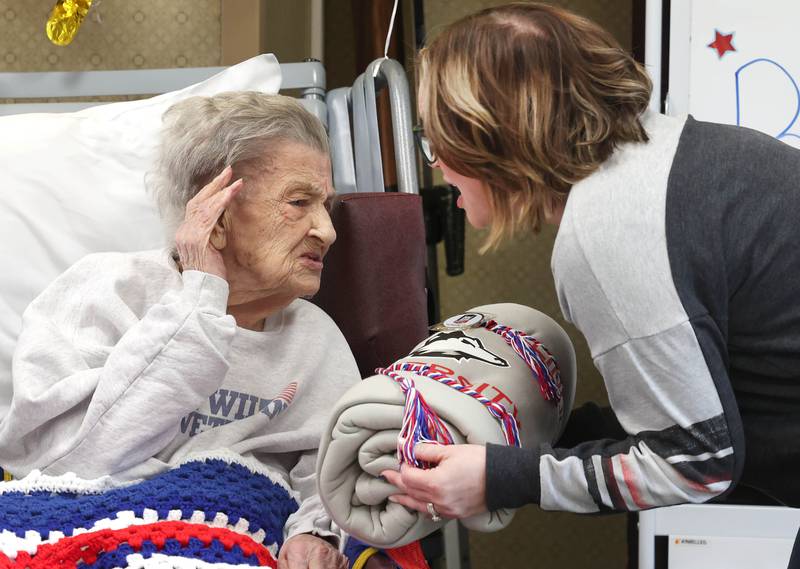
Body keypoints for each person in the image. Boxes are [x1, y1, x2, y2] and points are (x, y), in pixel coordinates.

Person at [382, 1, 800, 562]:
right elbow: (714, 405)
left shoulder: (614, 229)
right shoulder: (670, 153)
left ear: (491, 136)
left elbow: (696, 465)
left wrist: (504, 478)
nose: (435, 164)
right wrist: (526, 439)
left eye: (437, 139)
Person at [0, 92, 360, 569]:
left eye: (325, 205)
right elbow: (62, 465)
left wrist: (316, 533)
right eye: (298, 202)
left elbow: (335, 476)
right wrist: (201, 299)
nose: (327, 230)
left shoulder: (317, 340)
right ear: (216, 212)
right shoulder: (103, 291)